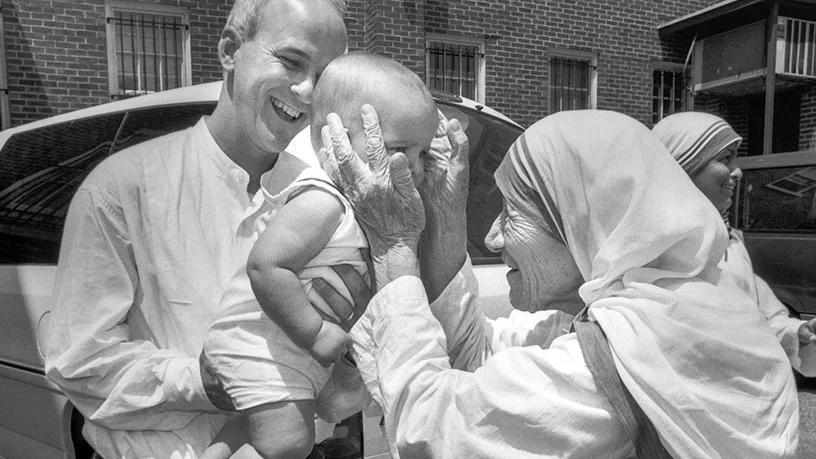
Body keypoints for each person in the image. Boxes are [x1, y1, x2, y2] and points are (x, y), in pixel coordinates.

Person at [319, 109, 800, 458]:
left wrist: (394, 248)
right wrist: (446, 219)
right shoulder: (669, 305)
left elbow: (432, 427)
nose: (492, 235)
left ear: (578, 224)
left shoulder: (619, 358)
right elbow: (480, 354)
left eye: (511, 213)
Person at [43, 0, 356, 458]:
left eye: (324, 77)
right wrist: (210, 381)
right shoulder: (123, 188)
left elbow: (334, 377)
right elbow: (79, 362)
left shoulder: (325, 201)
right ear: (230, 49)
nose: (307, 91)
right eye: (291, 61)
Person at [199, 51, 439, 459]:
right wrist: (315, 332)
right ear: (337, 140)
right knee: (290, 441)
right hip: (261, 341)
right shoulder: (324, 202)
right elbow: (266, 266)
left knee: (276, 429)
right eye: (399, 148)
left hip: (291, 352)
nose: (412, 167)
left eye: (423, 154)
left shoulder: (369, 211)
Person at [652, 112, 816, 377]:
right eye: (724, 158)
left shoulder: (732, 244)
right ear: (684, 166)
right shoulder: (646, 249)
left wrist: (797, 332)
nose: (737, 172)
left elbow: (762, 318)